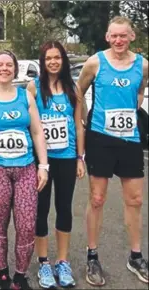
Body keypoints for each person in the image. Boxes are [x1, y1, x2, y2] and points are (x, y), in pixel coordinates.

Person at [77, 16, 148, 286]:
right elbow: (79, 90)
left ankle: (136, 256)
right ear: (107, 37)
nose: (119, 40)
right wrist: (84, 119)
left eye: (123, 36)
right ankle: (92, 256)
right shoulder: (95, 62)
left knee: (136, 199)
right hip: (101, 138)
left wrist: (133, 107)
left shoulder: (142, 65)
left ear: (131, 36)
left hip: (129, 139)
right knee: (97, 198)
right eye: (114, 36)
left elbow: (140, 91)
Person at [0, 50, 48, 290]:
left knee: (26, 224)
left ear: (15, 69)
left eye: (9, 65)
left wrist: (43, 165)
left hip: (25, 168)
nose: (4, 68)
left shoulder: (26, 97)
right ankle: (2, 272)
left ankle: (21, 274)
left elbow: (37, 132)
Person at [27, 41, 85, 288]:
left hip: (67, 158)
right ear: (43, 61)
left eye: (57, 58)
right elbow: (28, 124)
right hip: (41, 162)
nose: (53, 62)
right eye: (48, 58)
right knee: (41, 211)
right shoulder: (33, 88)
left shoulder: (73, 87)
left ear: (63, 60)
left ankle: (62, 261)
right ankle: (43, 263)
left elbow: (79, 125)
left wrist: (81, 157)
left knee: (64, 208)